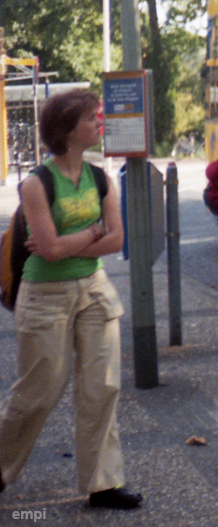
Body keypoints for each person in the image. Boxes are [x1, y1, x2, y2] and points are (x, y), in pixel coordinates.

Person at [0, 89, 142, 509]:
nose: (99, 123)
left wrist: (73, 242)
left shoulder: (99, 176)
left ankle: (103, 484)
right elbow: (50, 251)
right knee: (38, 393)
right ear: (65, 129)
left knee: (103, 387)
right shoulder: (36, 183)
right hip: (45, 297)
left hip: (94, 290)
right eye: (90, 118)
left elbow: (115, 239)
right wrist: (91, 233)